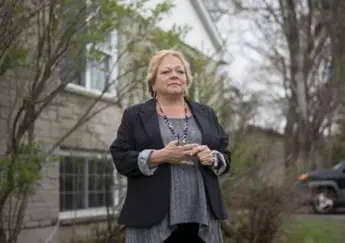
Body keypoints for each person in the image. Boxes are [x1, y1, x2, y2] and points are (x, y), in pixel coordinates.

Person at [109, 49, 231, 243]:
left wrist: (213, 157)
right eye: (166, 72)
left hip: (202, 220)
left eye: (180, 71)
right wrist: (159, 156)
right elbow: (120, 158)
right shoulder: (135, 115)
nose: (174, 75)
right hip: (151, 220)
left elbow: (225, 155)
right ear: (153, 82)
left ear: (187, 80)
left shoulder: (207, 113)